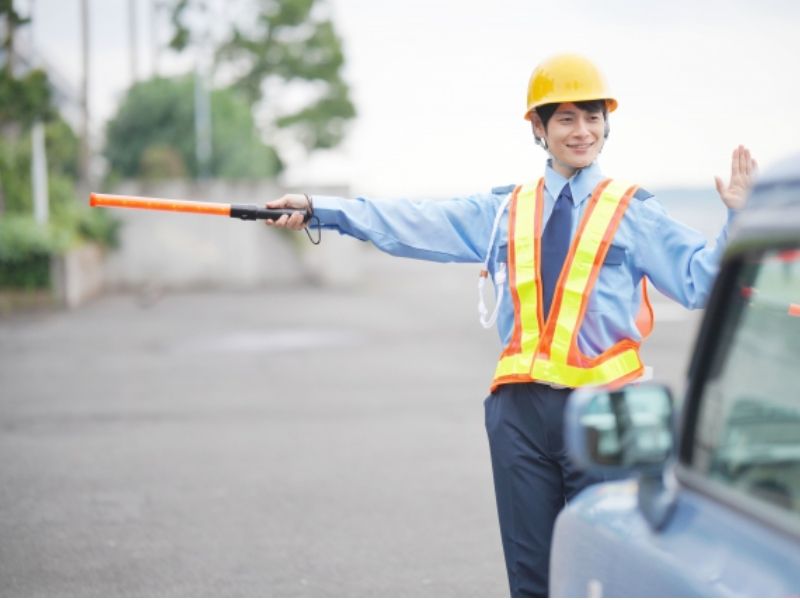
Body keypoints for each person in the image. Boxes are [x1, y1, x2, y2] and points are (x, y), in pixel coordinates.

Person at [264, 53, 757, 597]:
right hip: (519, 416)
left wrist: (739, 219)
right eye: (565, 118)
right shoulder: (504, 210)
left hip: (605, 416)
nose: (582, 130)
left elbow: (700, 282)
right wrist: (320, 209)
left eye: (592, 117)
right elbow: (412, 221)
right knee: (531, 582)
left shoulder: (634, 211)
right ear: (539, 129)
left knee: (609, 579)